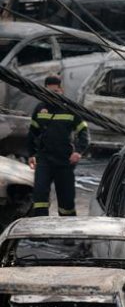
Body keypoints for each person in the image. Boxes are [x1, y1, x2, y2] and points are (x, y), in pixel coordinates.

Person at [27, 75, 89, 217]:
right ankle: (40, 231)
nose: (51, 96)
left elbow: (84, 133)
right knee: (40, 195)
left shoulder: (71, 109)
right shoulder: (40, 108)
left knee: (66, 200)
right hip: (44, 160)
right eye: (48, 93)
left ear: (61, 90)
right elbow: (32, 133)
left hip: (64, 161)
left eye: (55, 92)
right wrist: (31, 154)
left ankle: (67, 233)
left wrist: (78, 152)